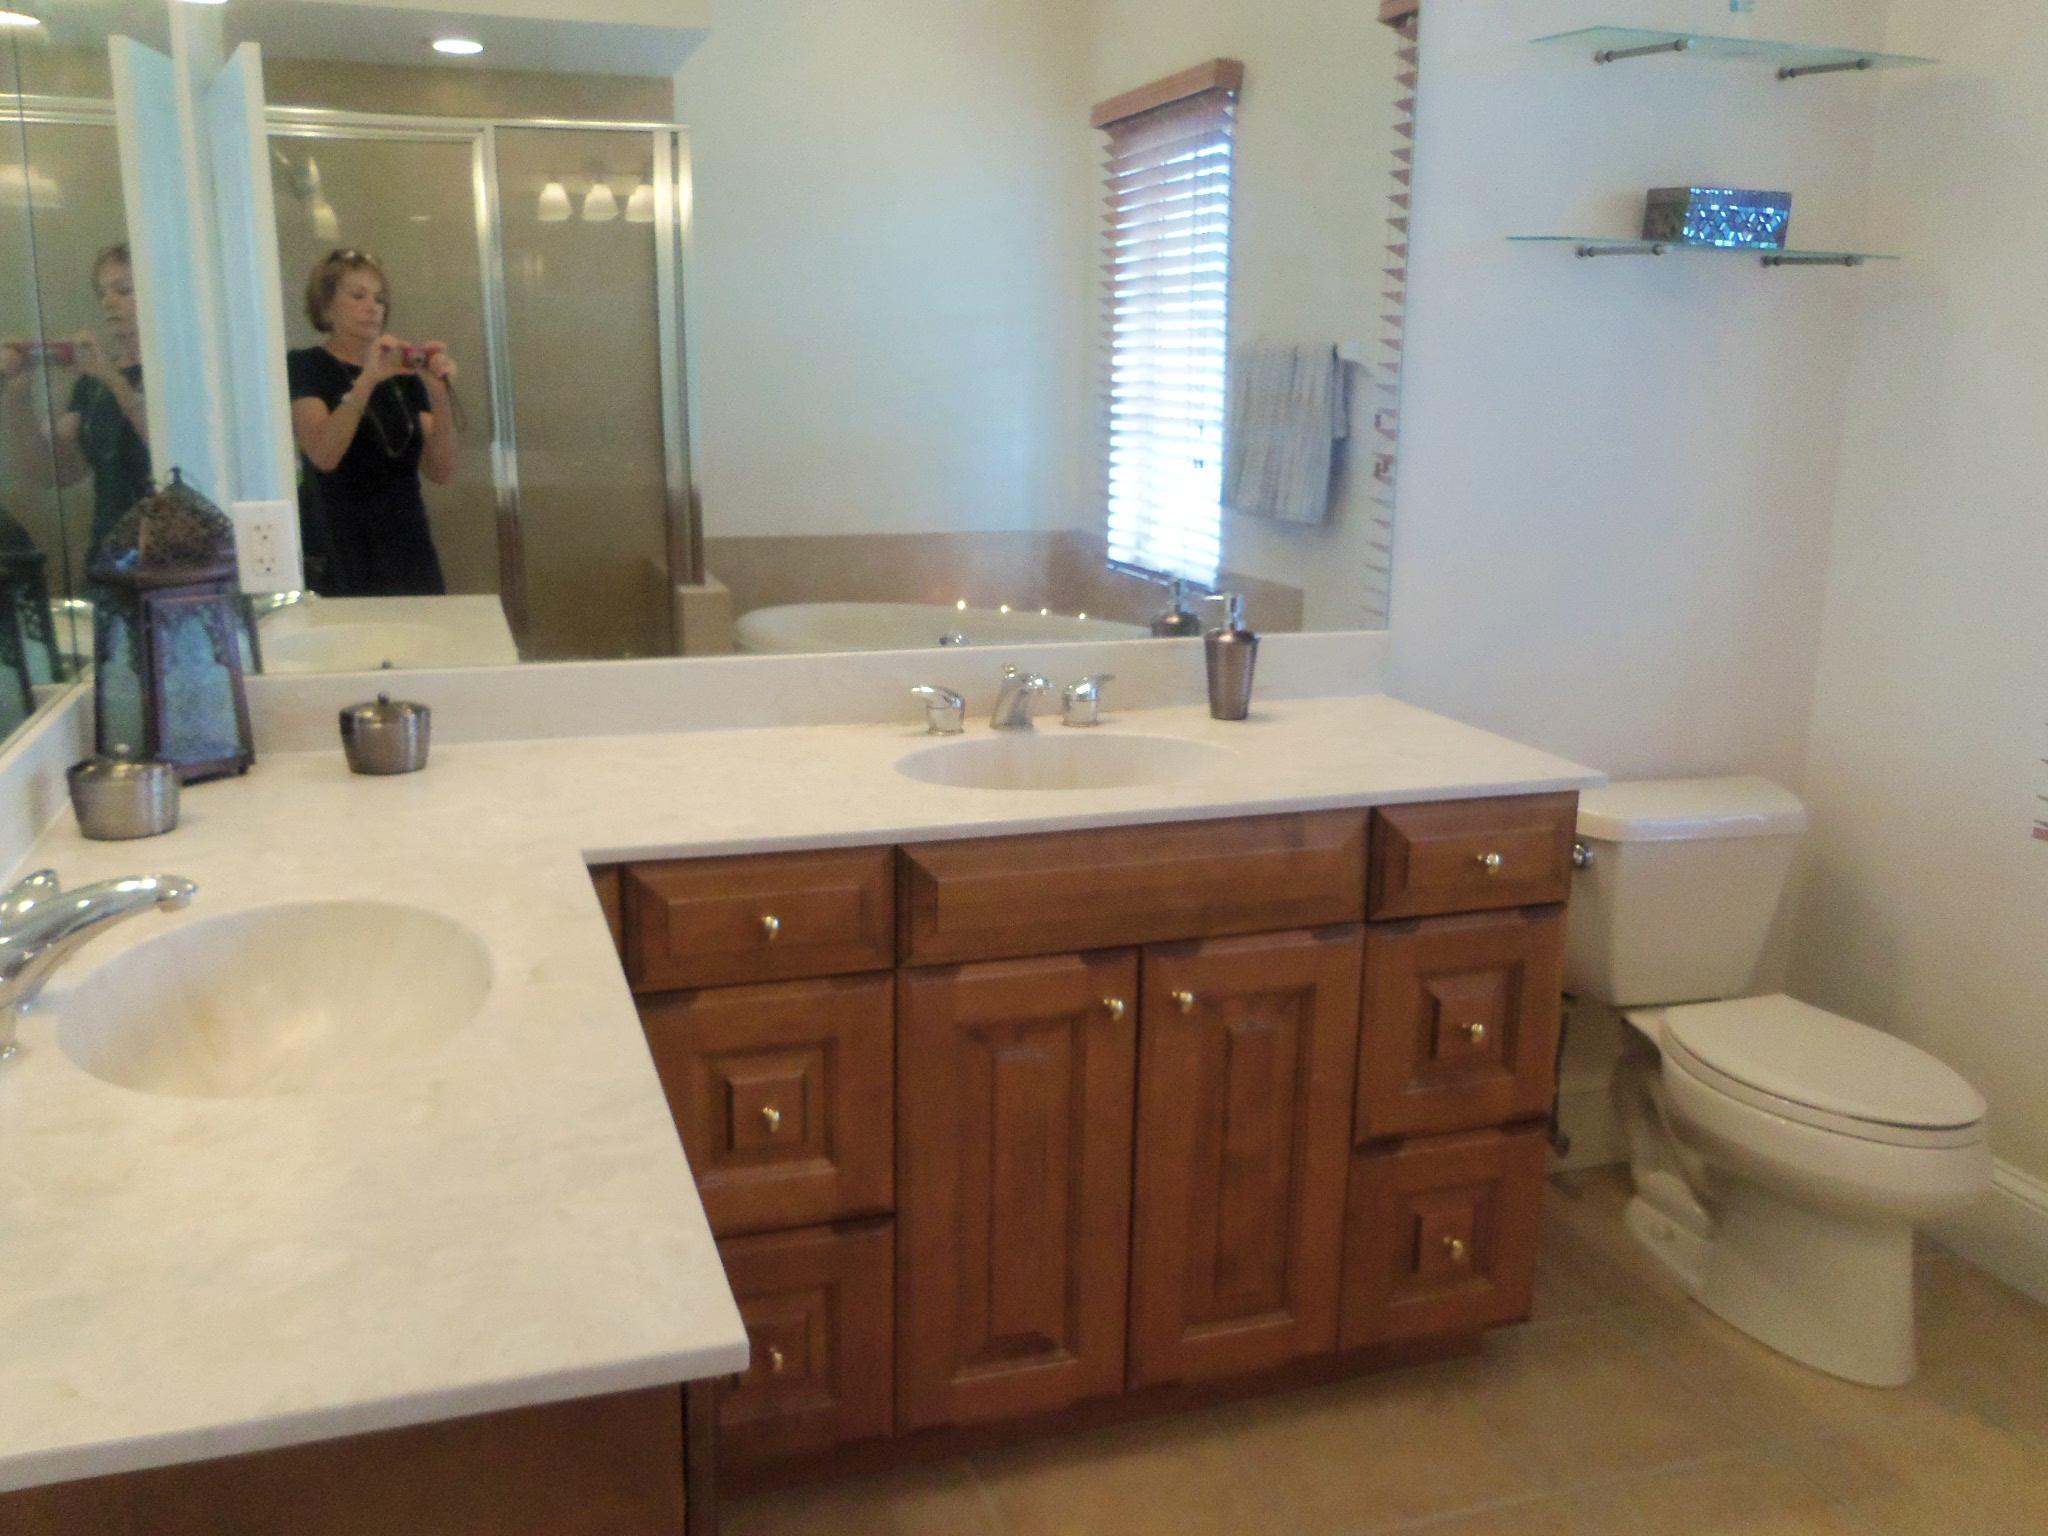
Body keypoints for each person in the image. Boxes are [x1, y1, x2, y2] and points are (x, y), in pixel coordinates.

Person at [287, 248, 458, 596]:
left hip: (407, 545)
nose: (373, 307)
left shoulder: (403, 376)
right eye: (358, 295)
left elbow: (440, 470)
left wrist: (439, 394)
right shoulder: (306, 366)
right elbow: (323, 455)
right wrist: (368, 379)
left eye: (380, 299)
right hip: (338, 542)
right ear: (326, 305)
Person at [0, 242, 152, 570]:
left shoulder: (174, 371)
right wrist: (18, 398)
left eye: (123, 290)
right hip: (107, 558)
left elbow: (165, 445)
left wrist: (111, 377)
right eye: (102, 293)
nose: (108, 302)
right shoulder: (93, 384)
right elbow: (53, 471)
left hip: (167, 553)